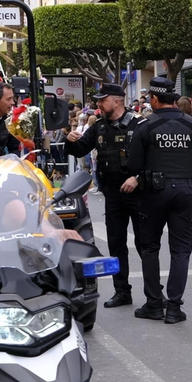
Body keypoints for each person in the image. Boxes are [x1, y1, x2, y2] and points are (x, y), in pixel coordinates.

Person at [124, 76, 192, 324]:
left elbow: (133, 165)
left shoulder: (145, 126)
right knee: (181, 250)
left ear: (153, 99)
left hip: (153, 192)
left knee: (150, 247)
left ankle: (154, 303)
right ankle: (174, 306)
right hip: (185, 192)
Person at [65, 83, 141, 308]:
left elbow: (151, 158)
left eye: (102, 99)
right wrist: (70, 140)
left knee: (146, 243)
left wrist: (138, 177)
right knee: (116, 244)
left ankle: (154, 293)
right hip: (113, 194)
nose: (98, 103)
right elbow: (80, 149)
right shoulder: (98, 126)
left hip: (137, 193)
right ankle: (122, 291)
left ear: (117, 101)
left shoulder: (139, 124)